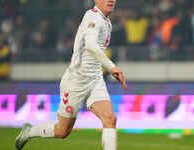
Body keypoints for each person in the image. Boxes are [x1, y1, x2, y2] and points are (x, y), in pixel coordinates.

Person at [15, 0, 127, 150]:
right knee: (62, 131)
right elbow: (91, 45)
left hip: (95, 79)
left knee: (110, 119)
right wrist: (112, 67)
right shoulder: (92, 17)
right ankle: (29, 132)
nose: (111, 0)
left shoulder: (107, 23)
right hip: (77, 80)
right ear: (96, 0)